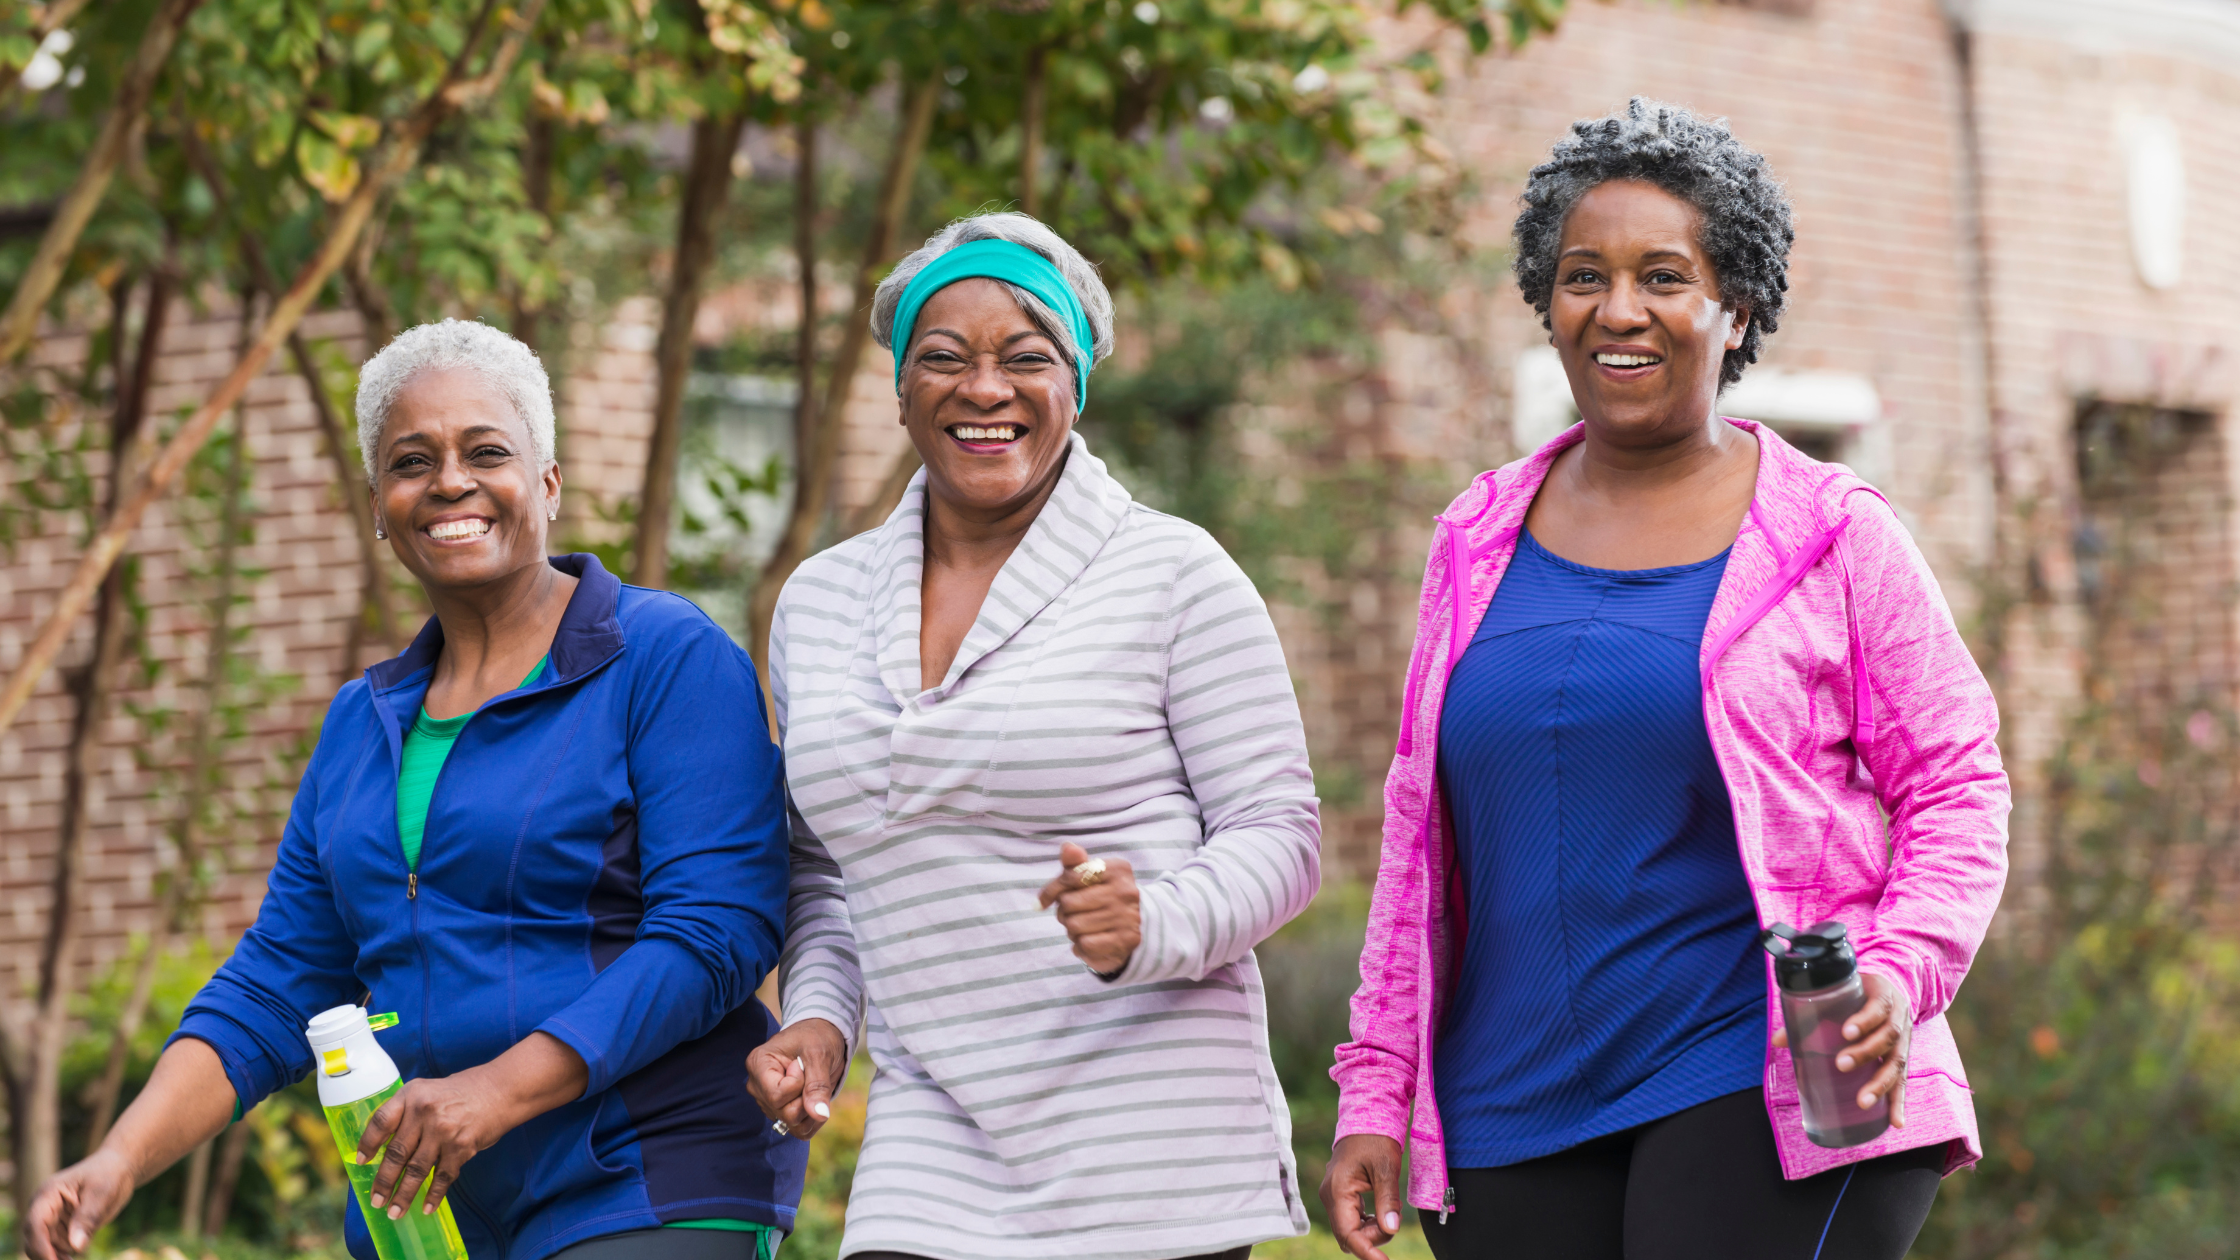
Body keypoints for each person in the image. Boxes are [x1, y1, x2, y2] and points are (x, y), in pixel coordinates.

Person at [1321, 99, 2011, 1260]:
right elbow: (1415, 836)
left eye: (1663, 276)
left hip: (1767, 1075)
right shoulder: (1474, 537)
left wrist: (1898, 974)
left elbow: (1955, 785)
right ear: (1546, 303)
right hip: (1507, 1099)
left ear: (1732, 308)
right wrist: (1375, 1084)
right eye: (1582, 275)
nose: (1619, 310)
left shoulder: (1832, 537)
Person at [21, 320, 804, 1260]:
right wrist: (120, 1158)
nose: (449, 481)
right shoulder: (363, 722)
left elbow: (716, 932)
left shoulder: (664, 660)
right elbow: (280, 979)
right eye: (412, 461)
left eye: (486, 452)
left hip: (647, 1183)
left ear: (547, 483)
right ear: (380, 509)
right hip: (426, 1217)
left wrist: (495, 1092)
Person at [745, 212, 1321, 1260]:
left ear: (1076, 384)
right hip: (934, 1133)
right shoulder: (819, 602)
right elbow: (824, 871)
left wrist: (1155, 916)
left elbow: (1279, 833)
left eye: (1026, 357)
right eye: (942, 358)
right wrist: (821, 1019)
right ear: (900, 386)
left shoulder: (1170, 574)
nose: (983, 388)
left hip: (1146, 1143)